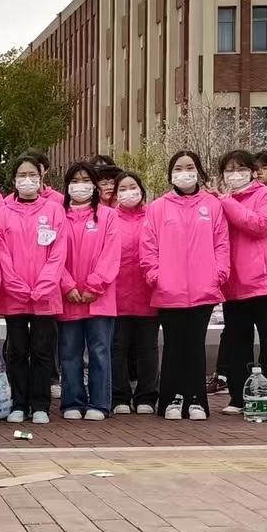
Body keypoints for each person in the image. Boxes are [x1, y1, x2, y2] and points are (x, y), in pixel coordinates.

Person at [140, 151, 230, 420]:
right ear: (171, 174)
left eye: (189, 167)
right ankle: (171, 398)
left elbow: (221, 243)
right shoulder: (158, 207)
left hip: (204, 290)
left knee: (195, 346)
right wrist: (155, 275)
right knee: (173, 346)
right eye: (178, 168)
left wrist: (219, 274)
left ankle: (196, 400)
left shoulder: (212, 205)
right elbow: (148, 246)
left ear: (198, 171)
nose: (184, 172)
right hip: (168, 290)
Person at [0, 156, 67, 425]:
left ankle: (40, 405)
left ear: (40, 177)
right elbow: (0, 253)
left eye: (32, 175)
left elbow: (58, 253)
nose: (27, 180)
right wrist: (16, 285)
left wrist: (44, 285)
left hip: (45, 296)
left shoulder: (54, 211)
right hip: (14, 295)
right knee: (16, 351)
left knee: (42, 351)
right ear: (14, 180)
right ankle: (18, 403)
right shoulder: (3, 212)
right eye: (22, 175)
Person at [216, 150, 267, 415]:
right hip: (234, 283)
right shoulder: (220, 203)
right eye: (229, 170)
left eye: (241, 169)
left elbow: (258, 224)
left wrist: (226, 202)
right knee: (237, 342)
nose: (235, 175)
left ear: (252, 171)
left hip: (266, 282)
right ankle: (239, 396)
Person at [57, 162, 120, 421]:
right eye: (75, 181)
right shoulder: (58, 216)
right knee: (69, 352)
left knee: (99, 351)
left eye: (85, 181)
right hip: (68, 296)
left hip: (100, 298)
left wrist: (95, 285)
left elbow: (111, 254)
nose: (80, 186)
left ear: (94, 185)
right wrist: (66, 284)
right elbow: (52, 255)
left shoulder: (108, 216)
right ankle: (72, 401)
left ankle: (100, 403)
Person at [110, 171, 158, 415]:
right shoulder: (108, 218)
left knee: (147, 348)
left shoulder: (153, 215)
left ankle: (147, 396)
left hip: (148, 293)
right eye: (123, 188)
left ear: (141, 189)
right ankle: (119, 396)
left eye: (133, 187)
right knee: (117, 348)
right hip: (116, 294)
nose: (128, 192)